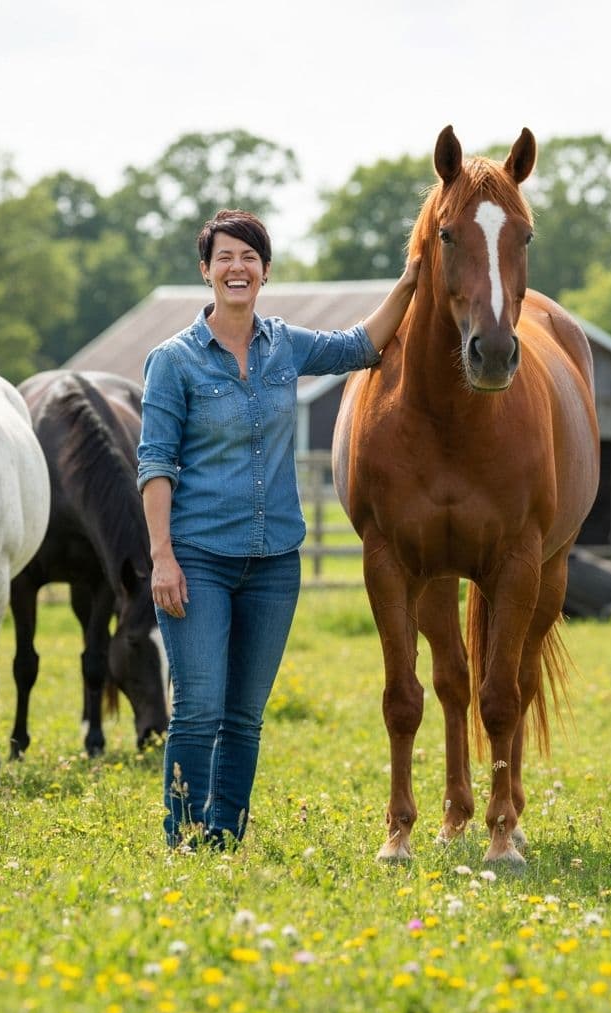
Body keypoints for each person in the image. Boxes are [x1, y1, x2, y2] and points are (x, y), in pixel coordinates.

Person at [138, 208, 419, 850]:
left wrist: (408, 282)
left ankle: (224, 837)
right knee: (199, 708)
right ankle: (183, 839)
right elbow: (155, 464)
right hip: (198, 559)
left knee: (243, 716)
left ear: (265, 271)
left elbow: (360, 346)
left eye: (249, 258)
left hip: (273, 563)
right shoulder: (173, 361)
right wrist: (162, 558)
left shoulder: (285, 345)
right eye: (225, 258)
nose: (237, 268)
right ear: (206, 271)